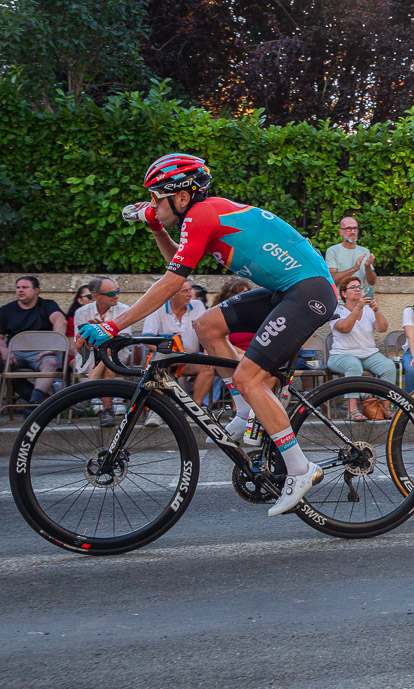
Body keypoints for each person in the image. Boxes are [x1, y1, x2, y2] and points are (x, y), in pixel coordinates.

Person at [88, 153, 337, 517]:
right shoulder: (198, 217)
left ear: (182, 197)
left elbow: (172, 281)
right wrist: (157, 226)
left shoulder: (203, 214)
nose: (154, 206)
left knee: (248, 376)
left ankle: (300, 469)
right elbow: (180, 263)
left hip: (309, 291)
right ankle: (244, 409)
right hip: (287, 290)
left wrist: (113, 324)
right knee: (206, 325)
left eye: (157, 198)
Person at [140, 279, 216, 422]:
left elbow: (208, 332)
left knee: (208, 367)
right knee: (156, 367)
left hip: (189, 357)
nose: (190, 294)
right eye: (185, 291)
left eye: (190, 290)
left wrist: (207, 351)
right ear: (172, 294)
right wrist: (169, 355)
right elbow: (147, 338)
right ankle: (156, 412)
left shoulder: (197, 305)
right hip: (165, 357)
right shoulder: (158, 308)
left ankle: (195, 410)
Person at [326, 277, 395, 418]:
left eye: (359, 287)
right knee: (353, 366)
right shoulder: (337, 311)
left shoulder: (369, 310)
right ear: (344, 294)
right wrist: (358, 307)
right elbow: (345, 328)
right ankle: (352, 410)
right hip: (341, 355)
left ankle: (385, 408)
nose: (358, 289)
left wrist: (376, 310)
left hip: (368, 354)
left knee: (389, 366)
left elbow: (383, 328)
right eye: (353, 287)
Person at [73, 277, 133, 427]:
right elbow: (81, 343)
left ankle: (87, 392)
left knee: (106, 350)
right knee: (104, 353)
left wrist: (103, 330)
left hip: (119, 353)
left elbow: (124, 339)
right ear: (96, 296)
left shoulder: (124, 309)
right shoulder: (82, 312)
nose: (117, 296)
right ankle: (107, 410)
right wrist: (103, 334)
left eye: (117, 291)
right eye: (112, 293)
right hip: (89, 356)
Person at [0, 276, 65, 411]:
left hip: (42, 353)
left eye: (25, 287)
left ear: (36, 290)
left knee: (51, 363)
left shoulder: (47, 305)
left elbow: (60, 321)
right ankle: (43, 400)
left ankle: (35, 404)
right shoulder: (6, 310)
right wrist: (5, 351)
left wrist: (54, 347)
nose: (20, 291)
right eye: (18, 288)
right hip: (15, 354)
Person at [325, 215, 376, 291]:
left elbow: (372, 282)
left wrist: (368, 267)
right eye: (348, 229)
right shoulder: (333, 251)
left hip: (360, 300)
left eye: (355, 228)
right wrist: (354, 269)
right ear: (341, 232)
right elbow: (332, 278)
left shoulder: (364, 251)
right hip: (340, 301)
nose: (352, 232)